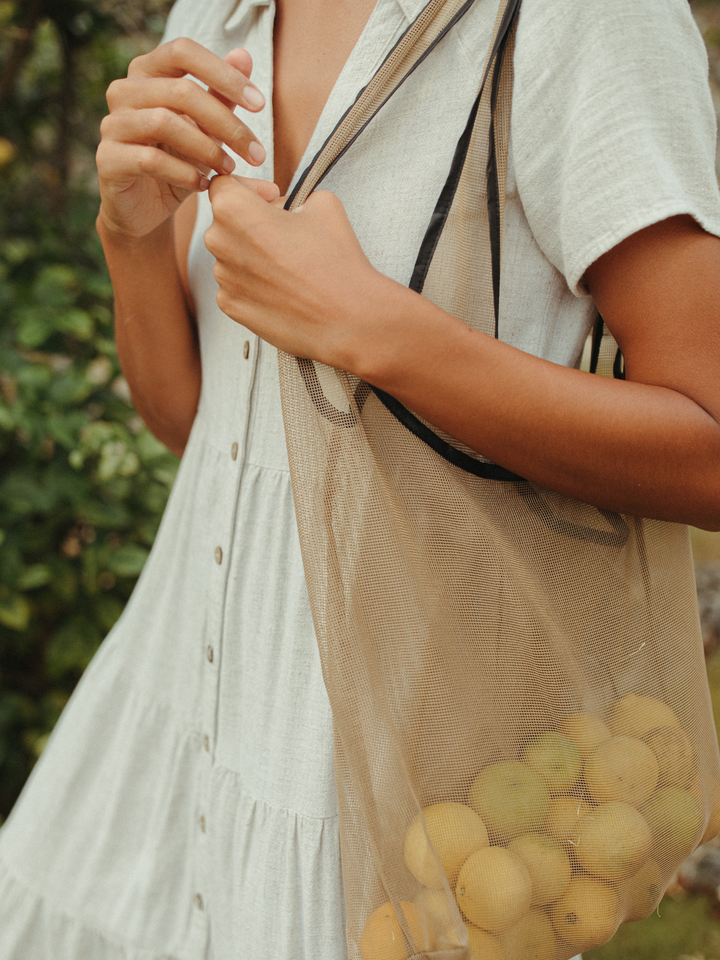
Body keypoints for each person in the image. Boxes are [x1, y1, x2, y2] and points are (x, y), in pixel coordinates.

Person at [0, 0, 719, 957]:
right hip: (168, 730)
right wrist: (129, 234)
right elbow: (203, 426)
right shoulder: (219, 13)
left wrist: (376, 333)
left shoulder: (581, 20)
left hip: (398, 807)